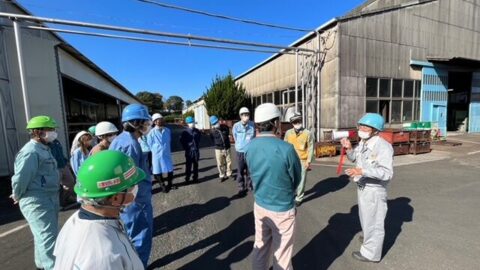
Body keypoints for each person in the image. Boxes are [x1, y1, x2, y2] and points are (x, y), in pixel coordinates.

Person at [53, 150, 144, 270]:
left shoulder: (74, 222)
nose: (136, 188)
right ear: (115, 198)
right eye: (132, 185)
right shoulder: (103, 257)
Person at [245, 103, 302, 270]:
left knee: (260, 246)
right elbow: (297, 178)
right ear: (275, 123)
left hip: (260, 205)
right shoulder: (286, 148)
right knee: (282, 255)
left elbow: (251, 172)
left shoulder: (250, 147)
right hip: (282, 208)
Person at [340, 113, 394, 263]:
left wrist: (362, 171)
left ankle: (371, 254)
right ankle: (369, 238)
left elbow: (387, 173)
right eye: (360, 125)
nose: (361, 129)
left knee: (375, 222)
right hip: (363, 186)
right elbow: (355, 158)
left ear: (376, 129)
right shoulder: (364, 142)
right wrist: (349, 148)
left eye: (366, 126)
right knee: (366, 217)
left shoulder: (383, 146)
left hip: (374, 190)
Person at [10, 115, 60, 270]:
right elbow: (21, 178)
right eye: (50, 129)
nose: (53, 132)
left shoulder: (44, 149)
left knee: (44, 236)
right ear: (38, 132)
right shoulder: (31, 152)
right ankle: (52, 267)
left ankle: (41, 265)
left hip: (49, 197)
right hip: (37, 200)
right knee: (47, 237)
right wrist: (17, 194)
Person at [109, 104, 153, 267]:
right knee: (141, 236)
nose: (147, 126)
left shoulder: (120, 140)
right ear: (136, 123)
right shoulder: (131, 145)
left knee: (129, 236)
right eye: (145, 122)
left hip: (129, 199)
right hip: (136, 200)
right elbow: (130, 178)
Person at [284, 112, 315, 206]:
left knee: (301, 180)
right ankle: (291, 193)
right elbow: (284, 145)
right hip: (290, 159)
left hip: (303, 160)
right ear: (292, 123)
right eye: (295, 122)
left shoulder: (307, 133)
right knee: (289, 178)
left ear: (301, 121)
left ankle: (299, 197)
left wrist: (309, 161)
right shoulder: (288, 133)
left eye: (299, 121)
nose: (297, 123)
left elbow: (311, 148)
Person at [147, 113, 175, 192]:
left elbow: (169, 140)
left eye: (162, 119)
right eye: (160, 120)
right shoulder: (151, 132)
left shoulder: (167, 130)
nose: (162, 121)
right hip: (157, 154)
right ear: (155, 122)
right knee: (157, 170)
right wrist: (156, 149)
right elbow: (149, 144)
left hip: (166, 153)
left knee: (170, 169)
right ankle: (162, 185)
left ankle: (170, 184)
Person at [232, 107, 255, 196]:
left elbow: (254, 136)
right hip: (240, 151)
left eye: (248, 114)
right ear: (240, 116)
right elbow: (235, 137)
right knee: (240, 170)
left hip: (250, 152)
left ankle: (249, 185)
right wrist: (239, 146)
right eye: (244, 115)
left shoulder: (252, 124)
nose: (246, 116)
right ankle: (241, 187)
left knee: (250, 170)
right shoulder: (236, 126)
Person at [48, 138, 76, 207]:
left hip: (63, 165)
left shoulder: (57, 141)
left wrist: (66, 162)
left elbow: (61, 153)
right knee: (57, 186)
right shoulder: (46, 144)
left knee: (71, 182)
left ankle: (66, 198)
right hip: (55, 168)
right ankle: (60, 203)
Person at [209, 115, 232, 182]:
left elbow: (228, 135)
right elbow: (212, 139)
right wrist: (218, 144)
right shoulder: (212, 132)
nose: (216, 124)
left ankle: (229, 173)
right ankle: (221, 175)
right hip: (218, 149)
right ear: (212, 124)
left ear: (218, 121)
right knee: (220, 163)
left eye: (216, 122)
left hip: (227, 147)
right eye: (214, 123)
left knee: (229, 161)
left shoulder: (225, 127)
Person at [180, 116, 201, 183]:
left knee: (196, 165)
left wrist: (196, 146)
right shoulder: (185, 132)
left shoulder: (197, 131)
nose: (192, 123)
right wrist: (187, 148)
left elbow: (199, 138)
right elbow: (182, 141)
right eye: (191, 122)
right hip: (189, 151)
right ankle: (187, 178)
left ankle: (195, 178)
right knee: (188, 165)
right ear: (187, 123)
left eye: (193, 122)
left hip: (196, 151)